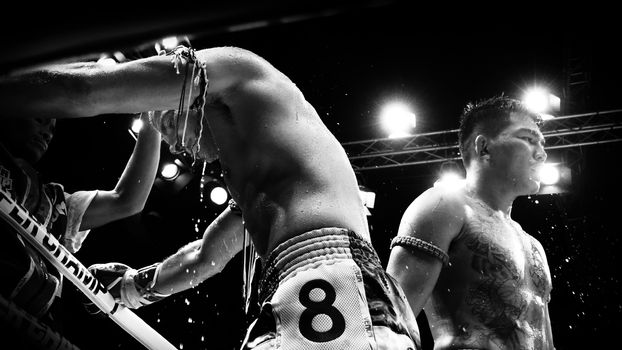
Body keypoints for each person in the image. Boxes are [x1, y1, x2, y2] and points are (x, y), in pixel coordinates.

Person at [0, 46, 421, 349]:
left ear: (175, 97)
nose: (173, 145)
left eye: (162, 122)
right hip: (313, 293)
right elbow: (206, 257)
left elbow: (86, 91)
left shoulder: (239, 72)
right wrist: (131, 288)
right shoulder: (264, 174)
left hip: (335, 287)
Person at [386, 95, 555, 349]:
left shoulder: (534, 246)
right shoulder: (444, 206)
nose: (541, 154)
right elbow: (391, 322)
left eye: (541, 143)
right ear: (484, 147)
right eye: (528, 139)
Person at [0, 112, 161, 348]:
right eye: (40, 119)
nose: (47, 132)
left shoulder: (54, 202)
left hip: (36, 334)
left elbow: (127, 200)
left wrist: (153, 118)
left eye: (53, 129)